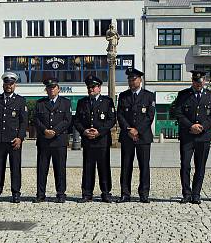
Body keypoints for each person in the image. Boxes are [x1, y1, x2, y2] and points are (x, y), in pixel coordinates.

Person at [170, 70, 211, 204]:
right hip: (187, 136)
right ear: (192, 81)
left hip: (203, 136)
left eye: (201, 81)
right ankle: (186, 193)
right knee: (185, 165)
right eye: (196, 81)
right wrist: (191, 126)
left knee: (200, 166)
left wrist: (202, 126)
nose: (198, 84)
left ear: (205, 81)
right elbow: (178, 113)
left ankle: (196, 194)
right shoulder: (183, 95)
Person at [73, 74, 116, 203]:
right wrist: (84, 131)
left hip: (102, 140)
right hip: (88, 140)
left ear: (99, 88)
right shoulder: (82, 102)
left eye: (93, 87)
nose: (91, 89)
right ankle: (87, 192)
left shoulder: (107, 102)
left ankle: (106, 192)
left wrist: (99, 132)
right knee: (88, 167)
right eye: (89, 87)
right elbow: (77, 121)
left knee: (104, 167)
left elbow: (111, 120)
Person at [0, 72, 27, 203]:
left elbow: (23, 122)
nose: (9, 86)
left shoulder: (20, 101)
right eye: (7, 84)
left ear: (15, 85)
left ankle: (16, 193)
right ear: (3, 85)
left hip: (14, 141)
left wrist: (20, 138)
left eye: (11, 84)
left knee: (15, 168)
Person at [117, 67, 155, 203]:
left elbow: (150, 116)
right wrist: (129, 129)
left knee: (144, 166)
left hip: (143, 136)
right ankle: (125, 193)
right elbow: (120, 115)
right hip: (127, 136)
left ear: (140, 80)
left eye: (134, 79)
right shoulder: (123, 96)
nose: (131, 82)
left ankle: (144, 193)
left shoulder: (149, 96)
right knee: (126, 166)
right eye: (129, 79)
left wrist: (137, 130)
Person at [34, 77, 72, 203]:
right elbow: (36, 120)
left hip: (59, 141)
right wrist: (45, 130)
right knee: (42, 168)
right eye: (49, 88)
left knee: (60, 168)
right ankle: (40, 194)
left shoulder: (66, 103)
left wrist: (55, 131)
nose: (51, 90)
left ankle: (61, 193)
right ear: (46, 90)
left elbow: (67, 120)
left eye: (53, 88)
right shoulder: (40, 103)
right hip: (44, 140)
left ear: (58, 89)